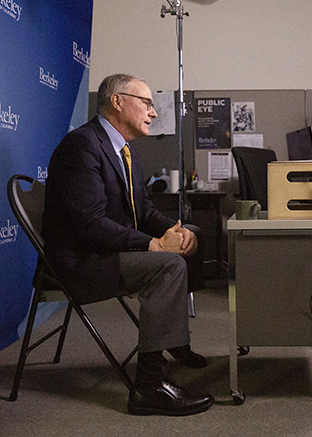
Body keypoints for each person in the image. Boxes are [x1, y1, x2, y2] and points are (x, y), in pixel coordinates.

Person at [42, 73, 213, 416]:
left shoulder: (123, 150)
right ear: (117, 102)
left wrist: (175, 231)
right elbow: (90, 226)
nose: (153, 112)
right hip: (83, 260)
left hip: (107, 249)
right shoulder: (81, 146)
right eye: (146, 102)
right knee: (168, 264)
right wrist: (154, 245)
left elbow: (146, 211)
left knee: (191, 236)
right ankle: (149, 387)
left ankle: (175, 341)